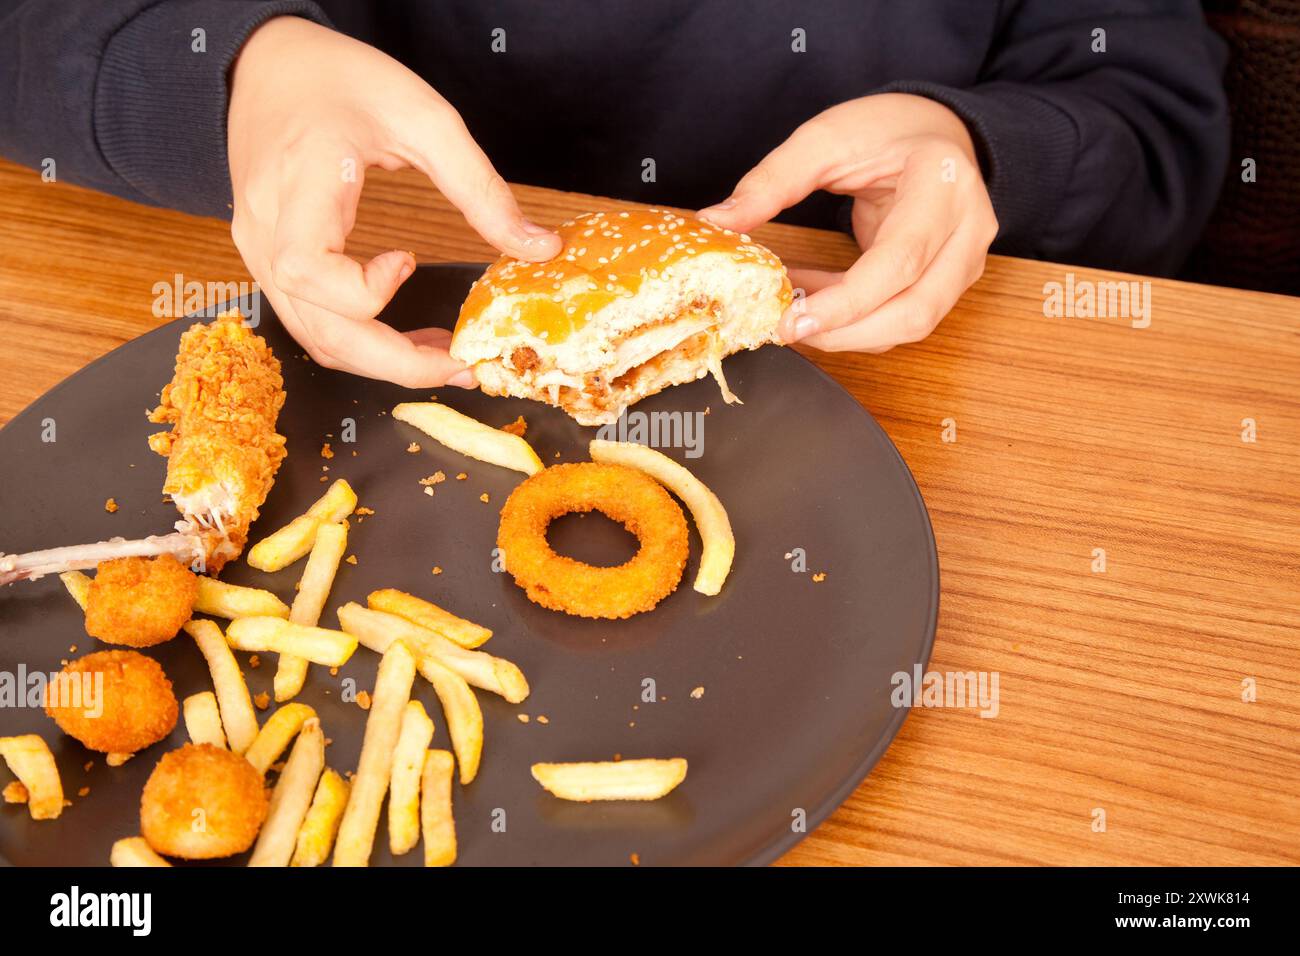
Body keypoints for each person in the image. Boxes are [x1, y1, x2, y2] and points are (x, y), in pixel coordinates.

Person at [0, 1, 1229, 387]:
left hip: (912, 412)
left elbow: (1154, 123)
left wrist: (981, 145)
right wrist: (238, 66)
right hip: (366, 313)